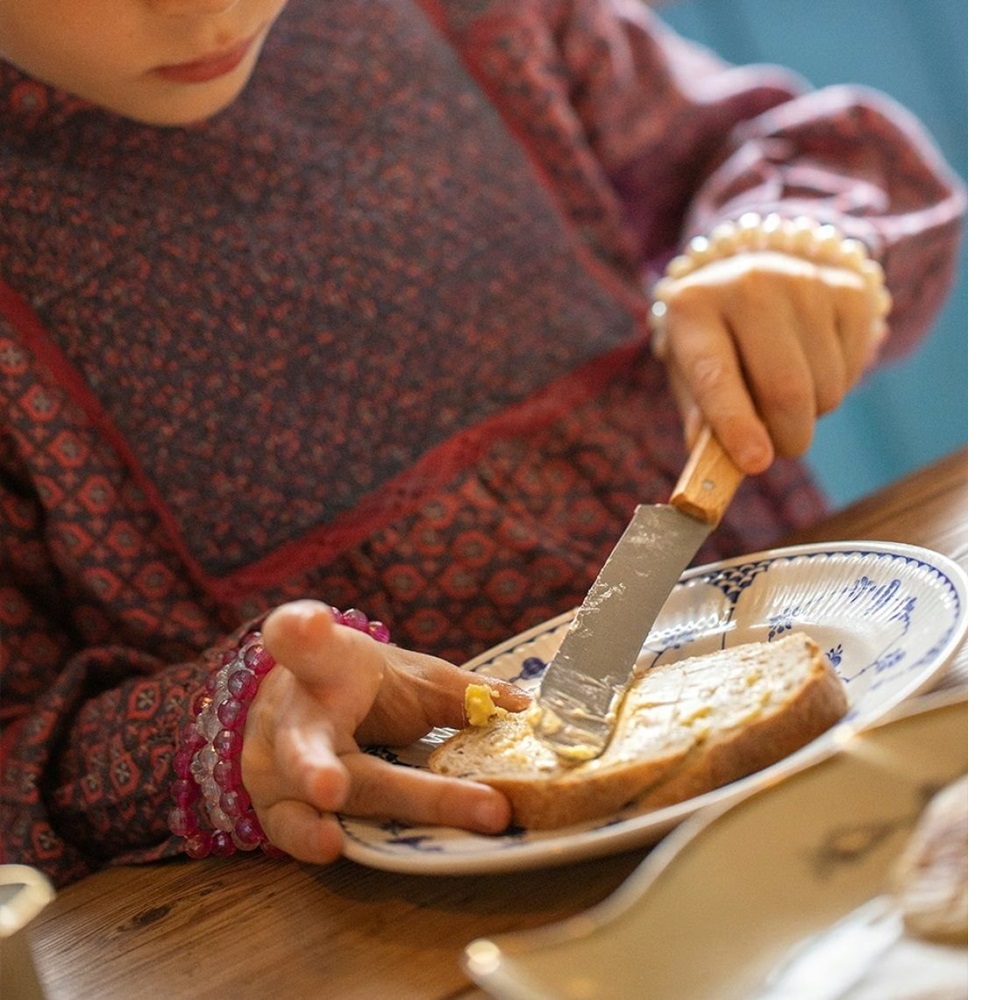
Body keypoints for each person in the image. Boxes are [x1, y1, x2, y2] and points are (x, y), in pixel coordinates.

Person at [0, 0, 965, 888]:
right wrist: (223, 733)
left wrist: (787, 240)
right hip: (382, 930)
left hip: (838, 769)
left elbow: (787, 153)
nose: (206, 7)